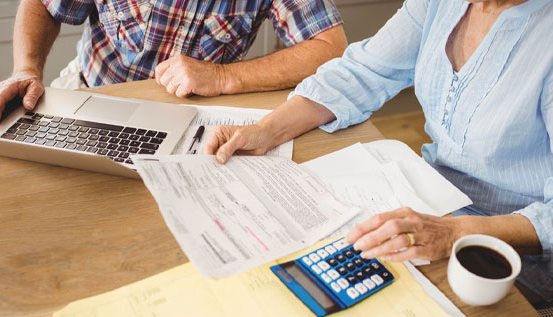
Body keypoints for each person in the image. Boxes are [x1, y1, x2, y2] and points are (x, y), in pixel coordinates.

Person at [205, 0, 553, 301]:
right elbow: (363, 71)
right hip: (430, 208)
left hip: (509, 256)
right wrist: (266, 130)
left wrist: (452, 234)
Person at [0, 0, 347, 133]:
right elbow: (44, 4)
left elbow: (330, 47)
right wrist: (26, 69)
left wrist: (223, 76)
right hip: (92, 94)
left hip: (196, 114)